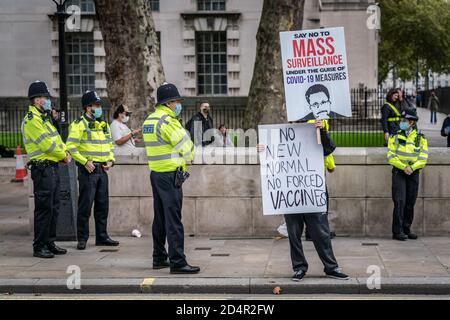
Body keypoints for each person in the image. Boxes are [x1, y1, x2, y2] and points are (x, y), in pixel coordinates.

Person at [257, 120, 349, 281]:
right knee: (294, 233)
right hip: (291, 192)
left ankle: (331, 267)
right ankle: (299, 267)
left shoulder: (315, 130)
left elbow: (329, 149)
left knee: (321, 232)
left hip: (314, 191)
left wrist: (322, 132)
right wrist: (263, 150)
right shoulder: (282, 134)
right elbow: (272, 159)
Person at [142, 83, 199, 274]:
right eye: (176, 102)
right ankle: (177, 261)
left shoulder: (149, 121)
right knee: (174, 220)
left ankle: (159, 257)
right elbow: (188, 149)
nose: (178, 105)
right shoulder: (168, 122)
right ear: (168, 103)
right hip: (170, 176)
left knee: (159, 218)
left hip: (156, 174)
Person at [21, 80, 71, 258]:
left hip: (52, 168)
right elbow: (46, 145)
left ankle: (50, 242)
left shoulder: (45, 119)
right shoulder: (32, 120)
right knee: (44, 208)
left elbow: (57, 139)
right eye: (45, 97)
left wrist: (64, 152)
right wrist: (63, 156)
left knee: (54, 206)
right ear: (36, 100)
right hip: (42, 170)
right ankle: (39, 245)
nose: (48, 100)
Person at [66, 90, 119, 250]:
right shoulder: (78, 124)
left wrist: (111, 160)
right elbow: (71, 147)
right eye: (96, 105)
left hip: (102, 170)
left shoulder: (103, 125)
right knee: (85, 206)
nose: (99, 108)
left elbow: (110, 146)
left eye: (99, 105)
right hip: (88, 170)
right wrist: (84, 162)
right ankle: (82, 238)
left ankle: (102, 236)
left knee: (103, 205)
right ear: (87, 107)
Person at [387, 109, 428, 241]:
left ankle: (406, 228)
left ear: (411, 122)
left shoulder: (420, 137)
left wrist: (412, 167)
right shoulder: (395, 136)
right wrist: (404, 167)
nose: (401, 122)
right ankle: (397, 231)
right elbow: (391, 155)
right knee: (399, 201)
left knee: (410, 202)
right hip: (399, 172)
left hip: (413, 172)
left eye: (404, 121)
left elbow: (423, 156)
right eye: (401, 120)